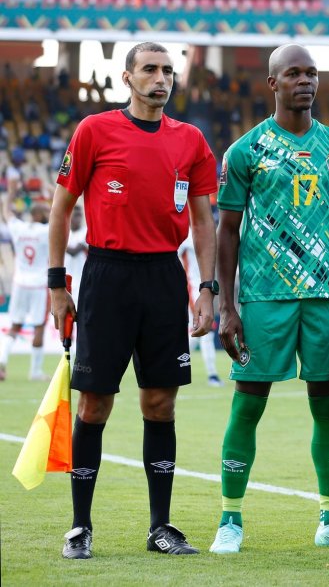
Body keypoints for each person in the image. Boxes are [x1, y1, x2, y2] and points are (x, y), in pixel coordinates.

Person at [48, 42, 217, 559]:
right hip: (107, 275)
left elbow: (205, 222)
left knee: (160, 403)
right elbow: (61, 208)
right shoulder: (95, 130)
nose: (161, 78)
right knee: (94, 403)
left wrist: (207, 288)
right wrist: (58, 284)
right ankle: (80, 527)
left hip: (165, 277)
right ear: (127, 78)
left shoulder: (190, 140)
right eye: (150, 69)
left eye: (168, 71)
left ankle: (160, 527)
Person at [210, 44, 329, 554]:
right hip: (265, 295)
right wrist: (227, 305)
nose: (305, 81)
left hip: (327, 295)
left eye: (311, 73)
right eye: (293, 73)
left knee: (328, 409)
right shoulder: (246, 151)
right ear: (272, 84)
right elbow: (228, 231)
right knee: (248, 406)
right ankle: (230, 522)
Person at [0, 197, 51, 382]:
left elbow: (7, 213)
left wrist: (11, 194)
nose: (47, 214)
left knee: (15, 325)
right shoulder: (45, 231)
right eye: (44, 212)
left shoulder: (19, 228)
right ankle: (35, 371)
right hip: (38, 285)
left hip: (20, 282)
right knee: (39, 327)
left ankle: (1, 361)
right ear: (37, 214)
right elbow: (61, 217)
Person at [178, 237, 220, 386]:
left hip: (205, 289)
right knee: (205, 333)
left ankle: (177, 368)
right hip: (194, 289)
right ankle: (212, 375)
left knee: (195, 334)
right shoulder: (187, 235)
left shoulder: (204, 230)